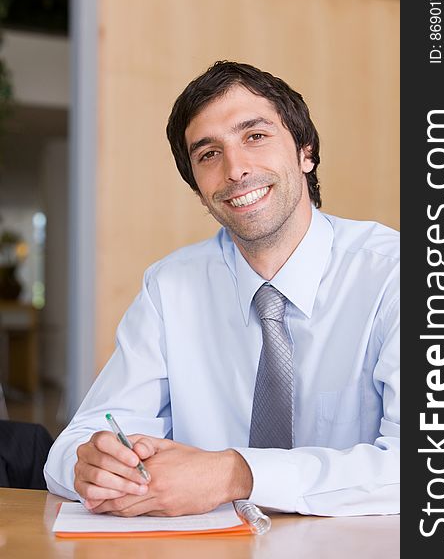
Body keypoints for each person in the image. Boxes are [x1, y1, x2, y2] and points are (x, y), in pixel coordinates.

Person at [44, 61, 399, 517]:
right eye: (208, 154)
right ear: (197, 188)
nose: (235, 169)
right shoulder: (169, 288)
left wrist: (237, 474)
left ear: (305, 152)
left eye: (255, 136)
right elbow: (77, 441)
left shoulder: (395, 275)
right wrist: (88, 464)